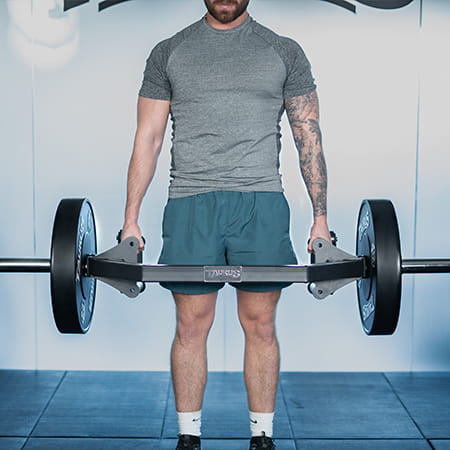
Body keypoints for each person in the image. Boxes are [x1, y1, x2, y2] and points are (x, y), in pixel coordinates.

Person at [121, 1, 330, 449]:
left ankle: (262, 438)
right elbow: (149, 138)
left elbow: (307, 134)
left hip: (261, 201)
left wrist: (320, 220)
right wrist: (130, 220)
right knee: (191, 326)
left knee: (260, 325)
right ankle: (188, 438)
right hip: (190, 201)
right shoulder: (169, 52)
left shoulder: (283, 51)